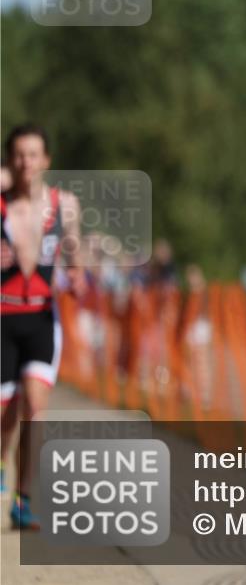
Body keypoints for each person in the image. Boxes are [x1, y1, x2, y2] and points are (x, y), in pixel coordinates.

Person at [1, 124, 84, 530]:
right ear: (9, 160)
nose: (26, 163)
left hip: (40, 318)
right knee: (5, 410)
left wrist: (79, 276)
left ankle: (24, 499)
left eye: (33, 155)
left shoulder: (64, 205)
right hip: (2, 318)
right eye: (18, 155)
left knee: (34, 407)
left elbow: (73, 253)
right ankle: (1, 463)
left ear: (46, 160)